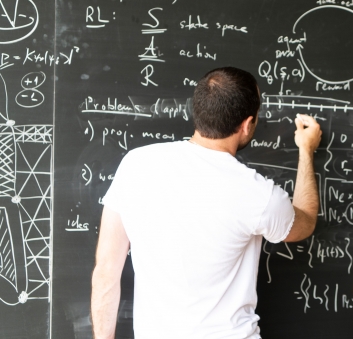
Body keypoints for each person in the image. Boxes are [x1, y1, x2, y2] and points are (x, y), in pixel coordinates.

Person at [90, 67, 322, 339]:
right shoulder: (256, 193)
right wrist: (306, 151)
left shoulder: (136, 164)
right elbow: (304, 221)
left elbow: (106, 271)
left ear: (198, 111)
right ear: (247, 124)